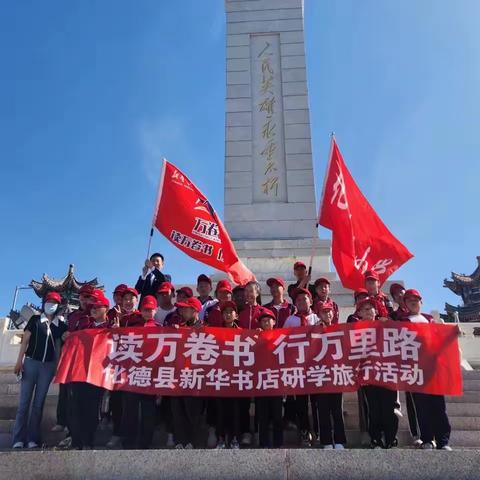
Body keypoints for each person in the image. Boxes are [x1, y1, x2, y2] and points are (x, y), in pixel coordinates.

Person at [12, 292, 67, 449]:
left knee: (38, 404)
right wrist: (19, 361)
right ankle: (18, 439)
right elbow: (25, 341)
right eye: (48, 301)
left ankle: (32, 439)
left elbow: (66, 339)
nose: (51, 304)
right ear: (43, 303)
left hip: (47, 367)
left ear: (58, 306)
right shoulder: (35, 320)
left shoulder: (60, 325)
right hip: (30, 363)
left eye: (54, 302)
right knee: (24, 403)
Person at [401, 289, 452, 451]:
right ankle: (427, 439)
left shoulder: (430, 320)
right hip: (415, 369)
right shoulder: (402, 321)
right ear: (405, 304)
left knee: (439, 407)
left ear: (421, 302)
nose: (413, 302)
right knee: (421, 407)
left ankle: (443, 441)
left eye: (416, 299)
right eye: (409, 300)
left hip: (434, 370)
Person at [355, 297, 398, 449]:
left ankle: (391, 437)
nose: (368, 311)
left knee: (388, 407)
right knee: (373, 408)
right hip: (367, 374)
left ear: (376, 310)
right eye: (364, 309)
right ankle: (375, 438)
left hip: (386, 372)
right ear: (359, 313)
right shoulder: (355, 329)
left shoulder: (386, 325)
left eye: (370, 308)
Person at [68, 292, 109, 450]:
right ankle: (76, 442)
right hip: (80, 372)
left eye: (98, 307)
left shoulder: (111, 328)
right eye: (92, 307)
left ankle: (88, 442)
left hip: (98, 374)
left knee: (92, 409)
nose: (93, 309)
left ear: (106, 309)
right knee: (76, 407)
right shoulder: (85, 327)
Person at [283, 288, 319, 447]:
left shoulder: (317, 318)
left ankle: (318, 432)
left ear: (310, 301)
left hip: (316, 365)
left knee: (317, 401)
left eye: (305, 299)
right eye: (298, 300)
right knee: (301, 403)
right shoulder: (290, 320)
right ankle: (304, 432)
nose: (302, 302)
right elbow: (282, 341)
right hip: (298, 366)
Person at [121, 295, 157, 449]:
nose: (147, 312)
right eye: (145, 310)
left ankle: (146, 442)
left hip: (152, 375)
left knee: (149, 410)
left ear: (155, 311)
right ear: (140, 310)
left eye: (150, 310)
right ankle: (128, 441)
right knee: (130, 409)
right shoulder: (132, 326)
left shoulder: (162, 328)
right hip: (133, 373)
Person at [170, 297, 204, 449]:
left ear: (195, 311)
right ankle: (179, 440)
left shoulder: (206, 328)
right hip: (178, 375)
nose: (182, 311)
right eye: (182, 308)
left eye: (186, 308)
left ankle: (194, 441)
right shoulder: (179, 328)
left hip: (196, 377)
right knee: (177, 409)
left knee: (193, 411)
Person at [312, 301, 346, 449]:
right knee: (323, 410)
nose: (327, 314)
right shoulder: (313, 331)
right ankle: (326, 441)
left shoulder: (340, 329)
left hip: (336, 373)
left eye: (329, 311)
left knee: (337, 410)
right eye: (324, 312)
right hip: (320, 374)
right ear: (318, 314)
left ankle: (339, 440)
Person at [215, 300, 242, 449]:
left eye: (230, 312)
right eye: (225, 312)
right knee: (221, 410)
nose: (227, 314)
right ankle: (221, 438)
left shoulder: (242, 332)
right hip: (220, 376)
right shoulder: (215, 333)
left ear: (236, 315)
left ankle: (234, 439)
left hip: (237, 377)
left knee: (235, 410)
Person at [255, 309, 284, 448]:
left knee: (278, 416)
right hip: (261, 382)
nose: (266, 323)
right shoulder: (255, 337)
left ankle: (278, 443)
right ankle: (263, 443)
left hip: (276, 382)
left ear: (274, 322)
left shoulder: (280, 337)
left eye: (268, 320)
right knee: (263, 416)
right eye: (263, 321)